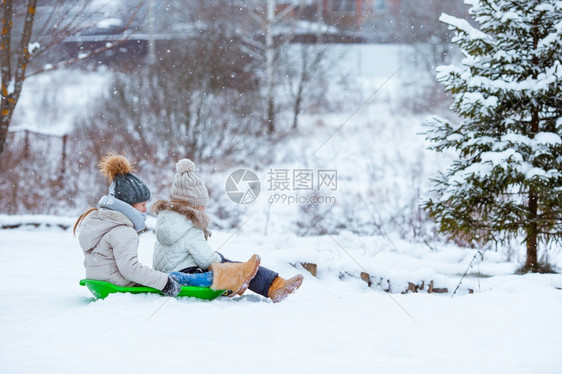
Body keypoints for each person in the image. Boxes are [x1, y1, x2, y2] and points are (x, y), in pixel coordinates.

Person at [74, 153, 258, 297]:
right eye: (143, 204)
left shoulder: (100, 222)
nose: (145, 210)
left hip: (97, 281)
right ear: (129, 205)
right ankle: (233, 278)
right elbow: (130, 269)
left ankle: (239, 276)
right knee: (210, 276)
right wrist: (165, 282)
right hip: (117, 285)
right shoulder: (123, 231)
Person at [152, 158, 304, 303]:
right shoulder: (190, 225)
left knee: (238, 267)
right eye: (201, 205)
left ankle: (274, 284)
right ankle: (274, 285)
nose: (204, 209)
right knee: (237, 269)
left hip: (165, 275)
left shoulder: (166, 220)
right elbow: (207, 260)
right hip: (188, 276)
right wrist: (223, 262)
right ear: (193, 206)